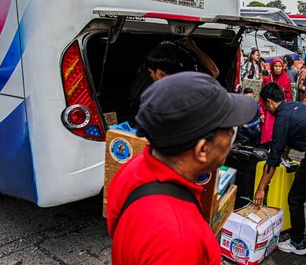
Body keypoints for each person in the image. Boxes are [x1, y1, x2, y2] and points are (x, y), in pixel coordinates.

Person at [107, 72, 257, 264]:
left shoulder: (131, 170)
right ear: (202, 150)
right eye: (228, 129)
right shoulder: (179, 241)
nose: (232, 136)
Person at [253, 82, 306, 256]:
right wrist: (284, 153)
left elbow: (272, 159)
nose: (266, 111)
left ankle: (298, 242)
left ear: (269, 102)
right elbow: (289, 139)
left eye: (265, 107)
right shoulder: (296, 105)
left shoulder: (282, 119)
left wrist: (261, 189)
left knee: (295, 199)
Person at [259, 58, 292, 145]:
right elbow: (262, 97)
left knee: (280, 136)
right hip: (269, 111)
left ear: (282, 67)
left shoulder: (286, 79)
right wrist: (262, 112)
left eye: (279, 66)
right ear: (272, 67)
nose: (277, 68)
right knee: (268, 134)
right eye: (276, 66)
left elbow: (289, 98)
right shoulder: (267, 79)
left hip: (281, 111)